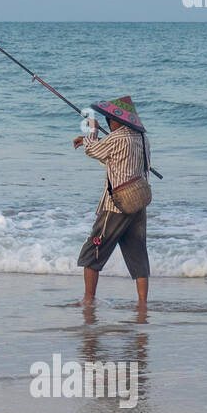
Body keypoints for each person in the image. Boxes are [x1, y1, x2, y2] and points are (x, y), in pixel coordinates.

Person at [70, 95, 151, 307]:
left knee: (93, 250)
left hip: (116, 205)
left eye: (108, 119)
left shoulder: (117, 139)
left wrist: (92, 130)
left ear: (117, 120)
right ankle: (142, 304)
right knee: (137, 252)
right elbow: (117, 158)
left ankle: (88, 300)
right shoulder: (142, 139)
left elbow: (92, 150)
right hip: (138, 203)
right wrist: (90, 139)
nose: (108, 122)